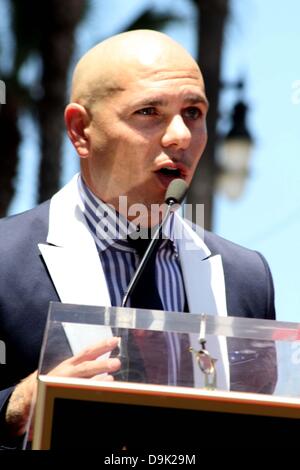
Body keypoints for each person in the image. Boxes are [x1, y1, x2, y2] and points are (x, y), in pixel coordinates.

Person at [0, 29, 276, 448]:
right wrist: (16, 404)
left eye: (194, 112)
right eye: (150, 112)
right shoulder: (4, 258)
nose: (180, 136)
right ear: (80, 131)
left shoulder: (247, 277)